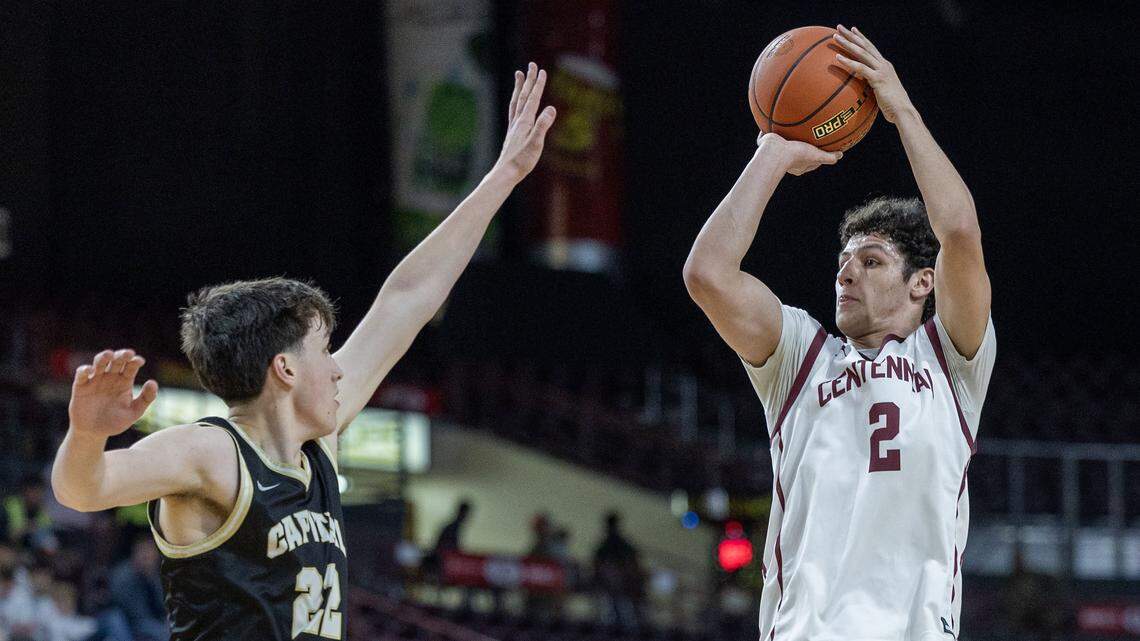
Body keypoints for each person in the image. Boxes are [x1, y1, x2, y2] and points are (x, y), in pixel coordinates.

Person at [50, 63, 557, 640]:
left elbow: (407, 300)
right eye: (324, 350)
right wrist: (87, 434)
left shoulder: (319, 443)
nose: (340, 368)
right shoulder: (212, 452)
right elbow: (81, 489)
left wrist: (504, 177)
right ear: (285, 368)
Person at [683, 25, 996, 640]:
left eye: (872, 261)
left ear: (921, 283)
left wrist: (899, 107)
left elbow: (958, 231)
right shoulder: (800, 358)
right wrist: (770, 154)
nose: (846, 273)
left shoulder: (951, 361)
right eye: (842, 264)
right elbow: (707, 275)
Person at [108, 534, 166, 640]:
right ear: (134, 553)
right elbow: (136, 614)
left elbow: (164, 606)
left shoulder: (159, 574)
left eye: (149, 552)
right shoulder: (123, 576)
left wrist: (151, 579)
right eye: (142, 551)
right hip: (127, 622)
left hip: (154, 621)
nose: (146, 557)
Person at [592, 512, 642, 631]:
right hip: (612, 587)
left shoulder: (619, 544)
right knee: (614, 615)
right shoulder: (607, 545)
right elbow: (597, 563)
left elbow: (633, 561)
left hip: (621, 586)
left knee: (621, 615)